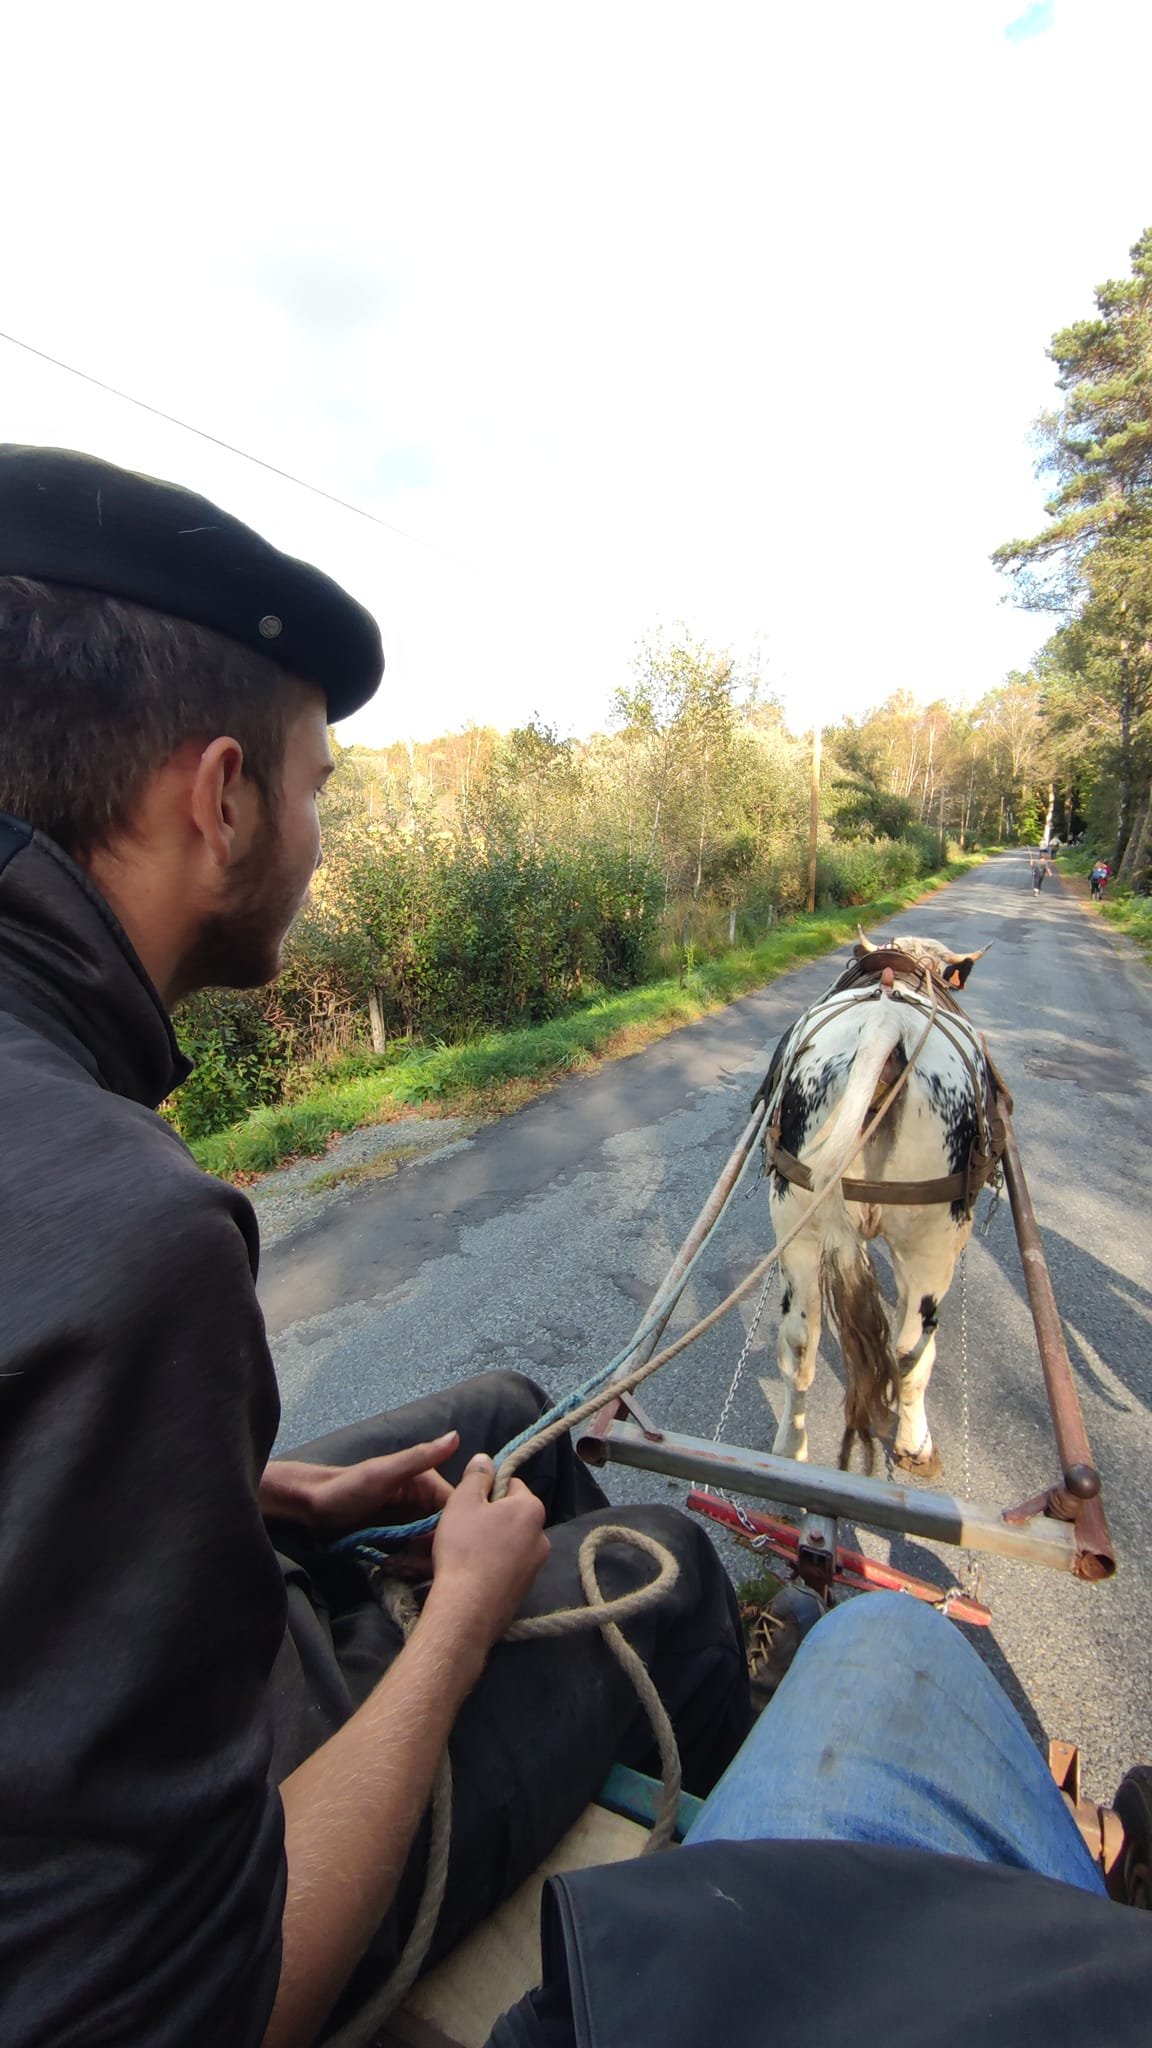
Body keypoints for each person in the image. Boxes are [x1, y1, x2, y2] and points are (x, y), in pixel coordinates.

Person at [0, 446, 749, 2048]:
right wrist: (466, 1626)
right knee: (671, 1575)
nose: (321, 841)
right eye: (315, 788)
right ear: (219, 800)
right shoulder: (134, 1225)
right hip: (188, 1906)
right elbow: (190, 2001)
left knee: (491, 1408)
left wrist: (270, 1490)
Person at [491, 1593, 1151, 2046]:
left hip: (680, 1997)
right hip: (1076, 1993)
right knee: (889, 1634)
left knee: (884, 1631)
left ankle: (743, 1730)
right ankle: (1106, 1851)